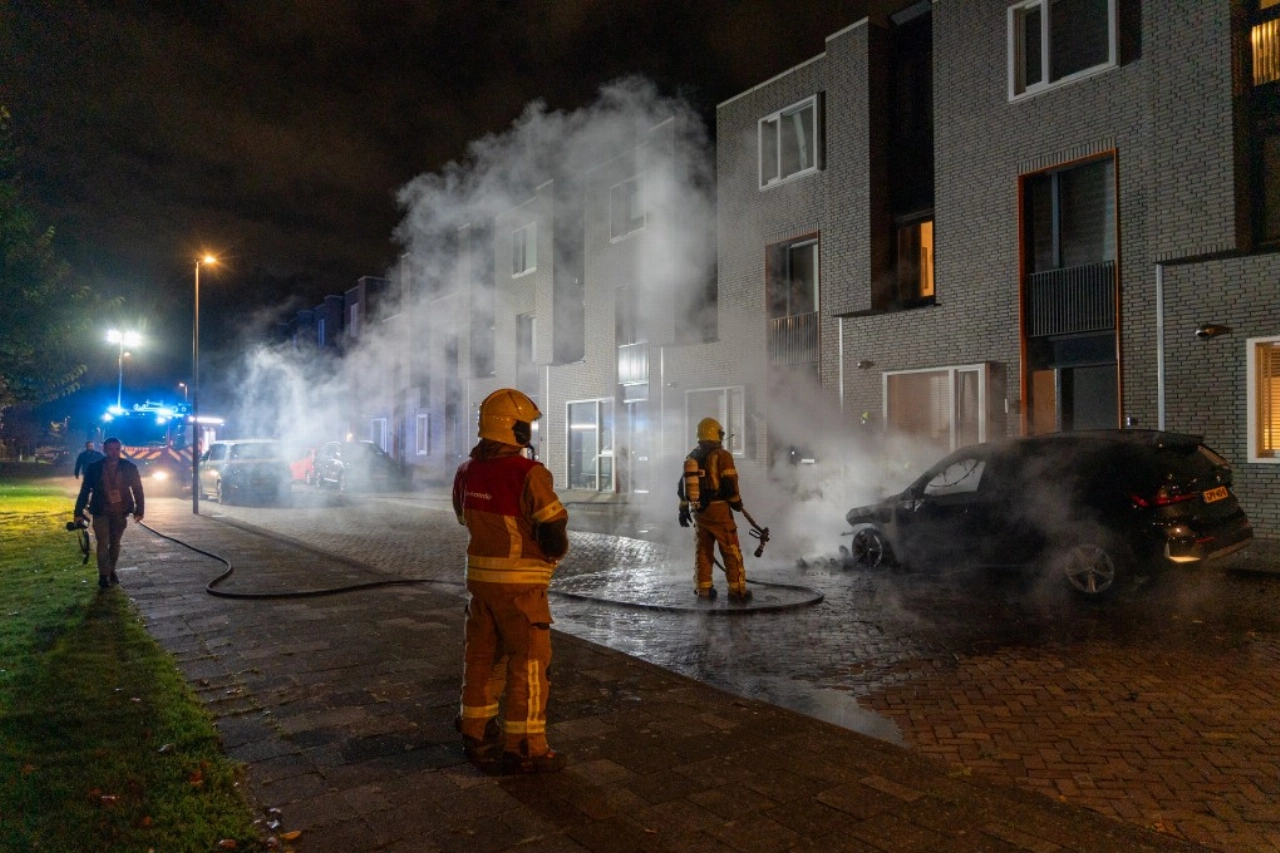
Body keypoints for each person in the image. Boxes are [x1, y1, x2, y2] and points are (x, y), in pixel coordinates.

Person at [452, 389, 570, 774]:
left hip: (480, 587)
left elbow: (463, 518)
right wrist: (551, 555)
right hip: (521, 590)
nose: (529, 432)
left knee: (483, 658)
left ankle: (476, 732)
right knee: (530, 664)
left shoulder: (466, 472)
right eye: (527, 425)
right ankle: (525, 746)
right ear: (514, 430)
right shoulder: (529, 474)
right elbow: (553, 528)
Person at [677, 417, 752, 603]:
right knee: (730, 548)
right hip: (719, 510)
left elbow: (682, 486)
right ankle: (737, 591)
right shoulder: (722, 455)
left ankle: (704, 589)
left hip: (699, 512)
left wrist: (683, 509)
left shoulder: (692, 456)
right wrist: (736, 503)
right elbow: (729, 482)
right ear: (715, 433)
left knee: (703, 550)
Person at [73, 437, 145, 590]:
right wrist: (78, 512)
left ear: (120, 449)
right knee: (102, 542)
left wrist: (140, 510)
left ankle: (111, 569)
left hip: (120, 512)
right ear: (104, 449)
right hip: (101, 511)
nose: (114, 452)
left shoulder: (129, 467)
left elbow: (137, 489)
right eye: (111, 449)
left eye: (117, 449)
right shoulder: (95, 468)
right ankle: (103, 575)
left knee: (115, 543)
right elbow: (85, 490)